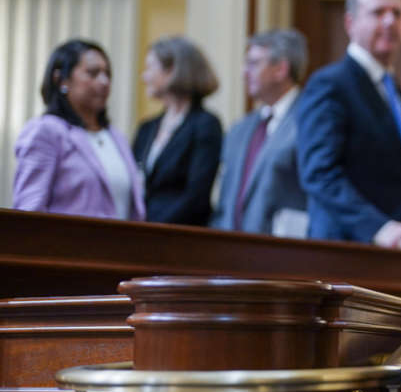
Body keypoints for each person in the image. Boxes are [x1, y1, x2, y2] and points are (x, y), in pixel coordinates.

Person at [296, 0, 401, 253]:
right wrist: (378, 227)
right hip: (346, 254)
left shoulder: (400, 96)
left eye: (398, 13)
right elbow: (319, 174)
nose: (390, 21)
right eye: (378, 12)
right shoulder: (329, 84)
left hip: (395, 256)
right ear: (350, 23)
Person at [12, 39, 145, 220]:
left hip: (122, 247)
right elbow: (28, 212)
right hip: (65, 247)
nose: (104, 81)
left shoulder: (116, 137)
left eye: (107, 74)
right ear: (61, 80)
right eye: (93, 73)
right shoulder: (46, 131)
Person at [210, 28, 309, 236]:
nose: (243, 73)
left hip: (284, 256)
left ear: (281, 69)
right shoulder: (239, 130)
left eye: (253, 63)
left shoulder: (310, 121)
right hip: (228, 256)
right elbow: (225, 202)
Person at [132, 36, 223, 226]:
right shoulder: (147, 128)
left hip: (181, 236)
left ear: (173, 70)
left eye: (150, 68)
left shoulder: (205, 124)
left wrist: (155, 228)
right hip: (141, 233)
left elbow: (196, 196)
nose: (144, 76)